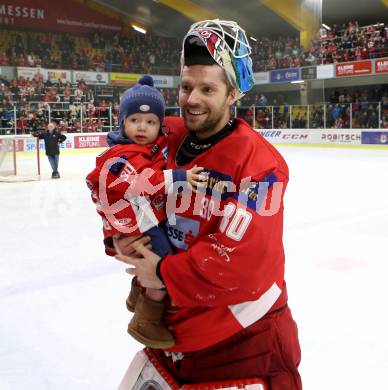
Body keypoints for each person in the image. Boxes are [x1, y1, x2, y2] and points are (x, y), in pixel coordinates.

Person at [114, 19, 302, 389]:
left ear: (232, 94)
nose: (192, 99)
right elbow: (115, 178)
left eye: (207, 89)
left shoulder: (260, 164)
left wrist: (162, 273)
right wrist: (122, 238)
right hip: (169, 338)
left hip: (242, 343)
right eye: (186, 87)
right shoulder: (165, 136)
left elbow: (245, 263)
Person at [86, 75, 205, 350]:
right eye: (135, 121)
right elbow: (144, 182)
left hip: (144, 217)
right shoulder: (124, 155)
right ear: (122, 123)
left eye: (150, 122)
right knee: (163, 262)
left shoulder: (145, 148)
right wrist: (178, 176)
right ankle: (147, 317)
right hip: (139, 223)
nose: (142, 127)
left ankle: (137, 292)